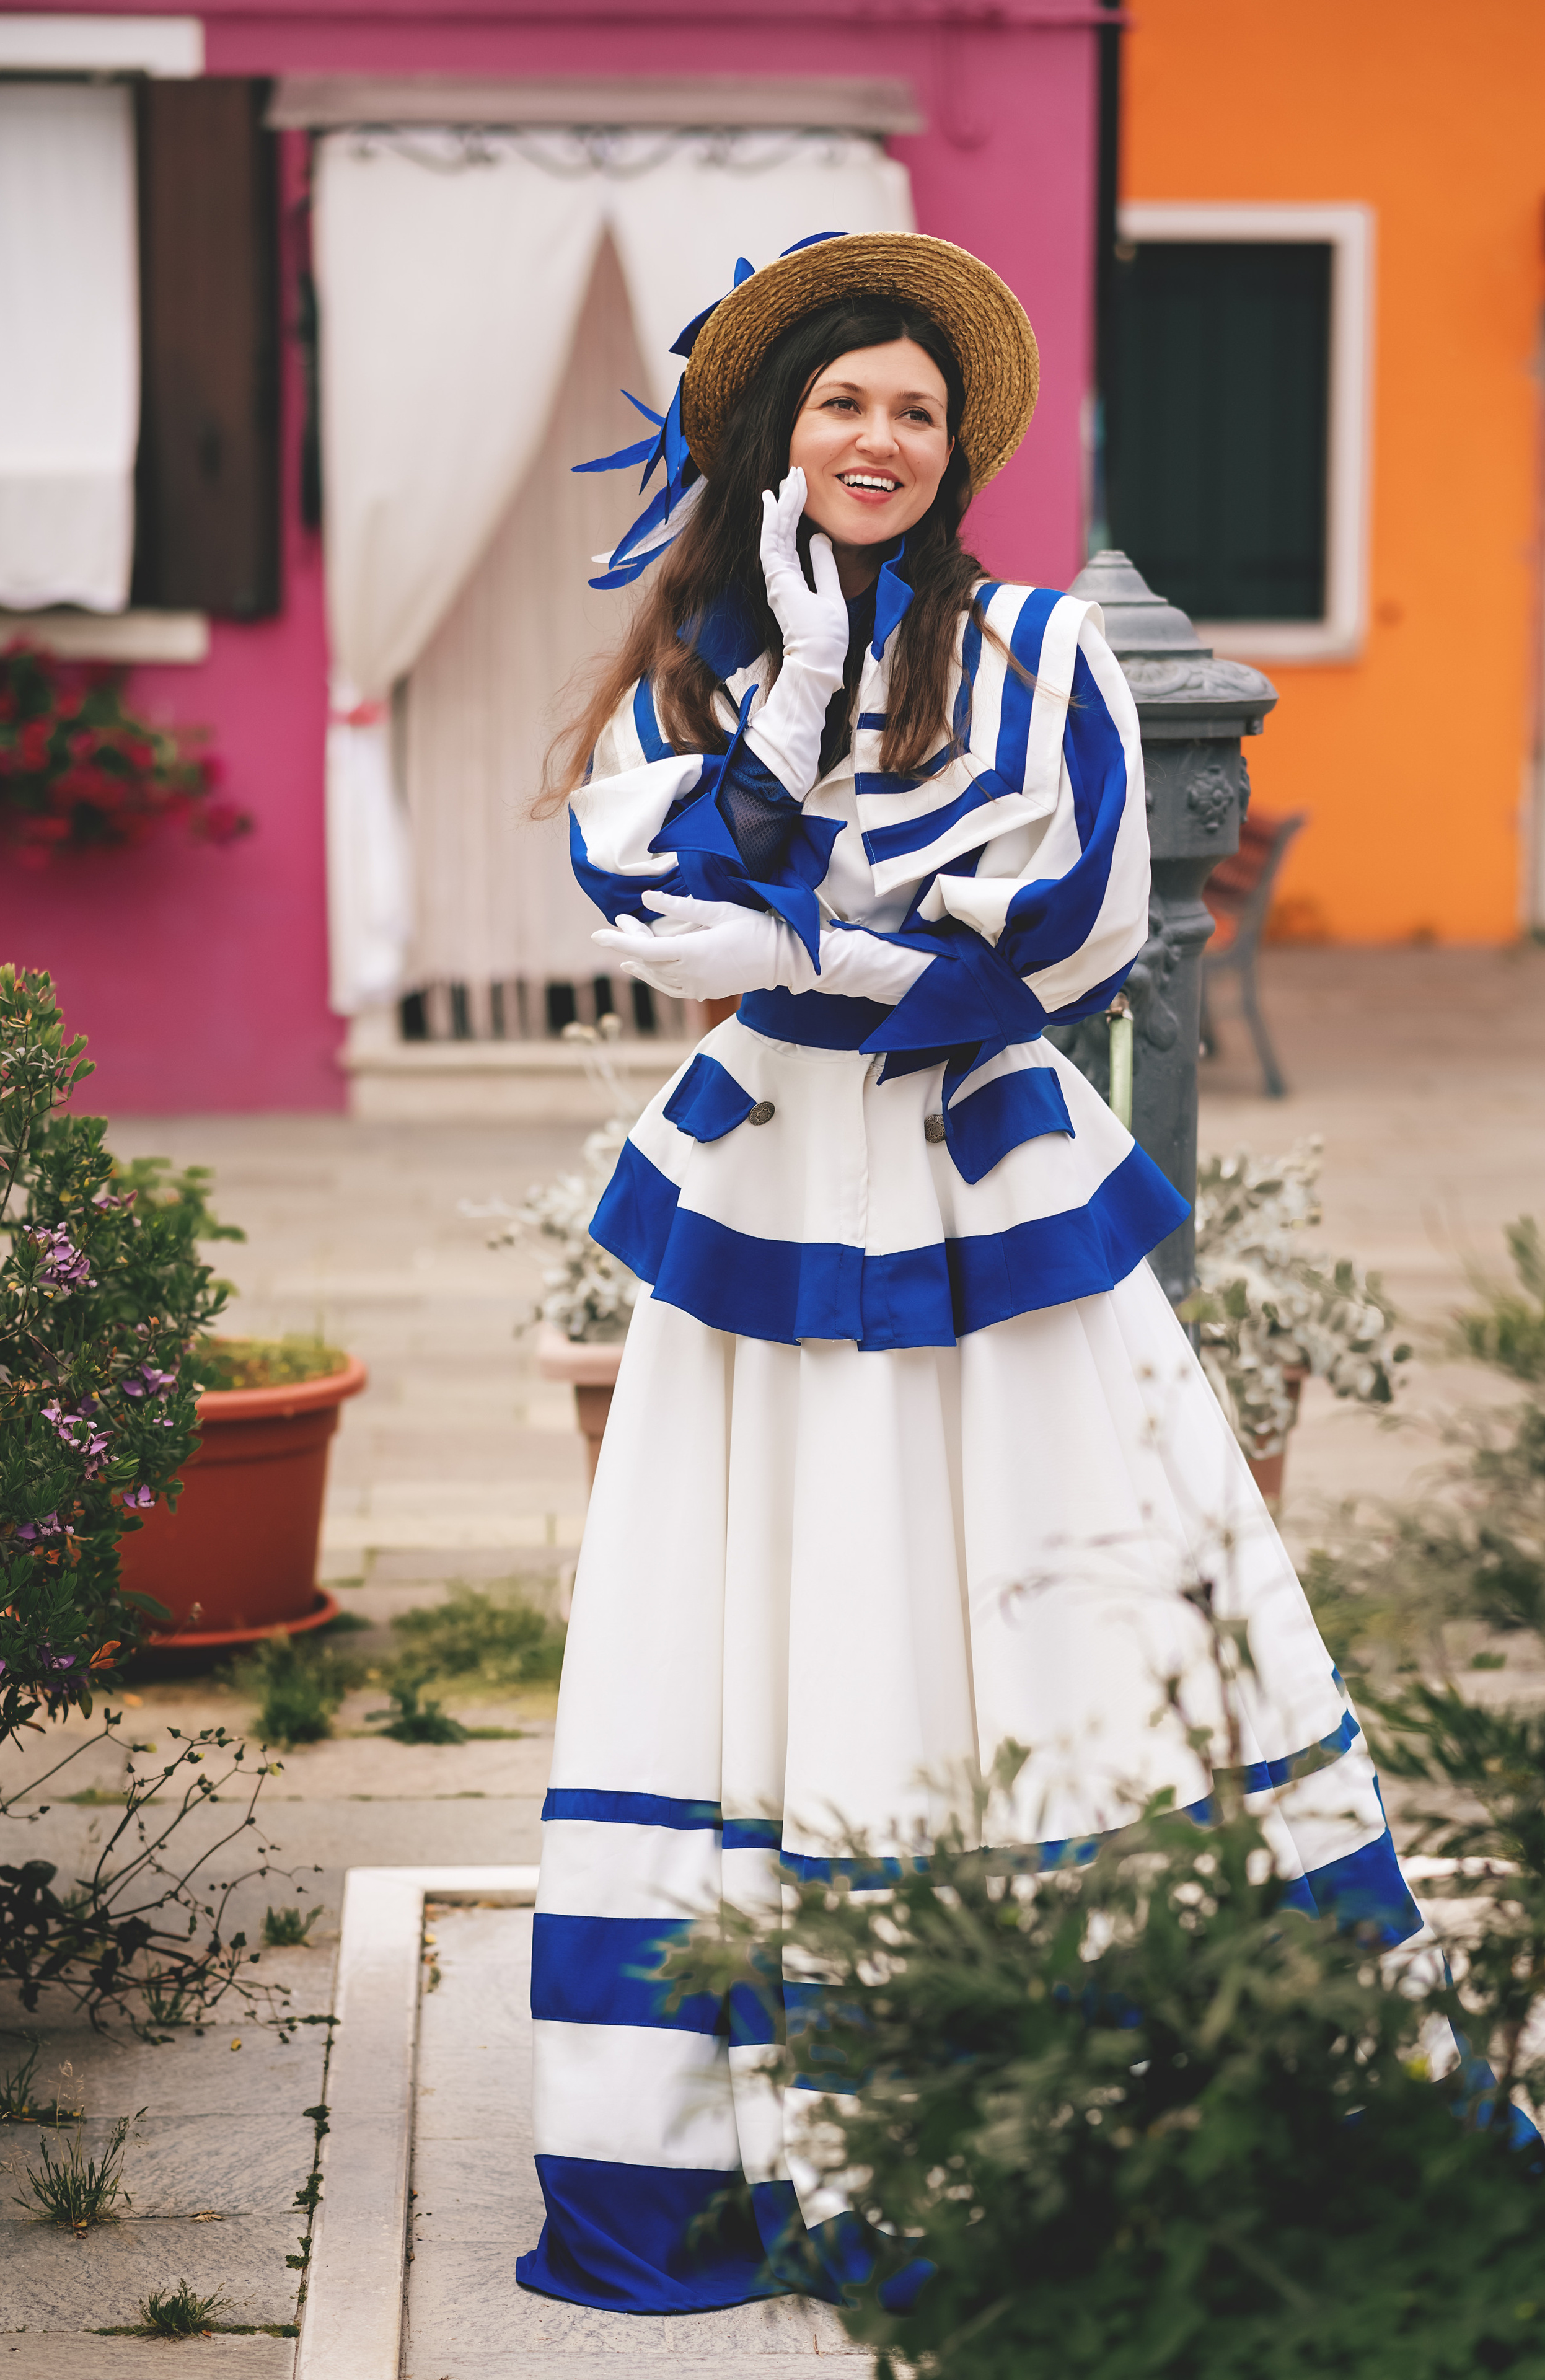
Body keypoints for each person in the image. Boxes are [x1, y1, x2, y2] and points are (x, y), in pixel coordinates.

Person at [516, 232, 1422, 2315]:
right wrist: (818, 726)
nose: (882, 435)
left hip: (977, 1188)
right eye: (844, 401)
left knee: (1050, 1566)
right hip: (769, 1198)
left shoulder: (1042, 647)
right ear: (775, 432)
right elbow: (641, 895)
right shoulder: (700, 661)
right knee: (760, 1585)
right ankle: (767, 2070)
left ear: (954, 449)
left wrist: (808, 931)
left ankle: (1064, 2052)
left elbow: (1079, 914)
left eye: (916, 410)